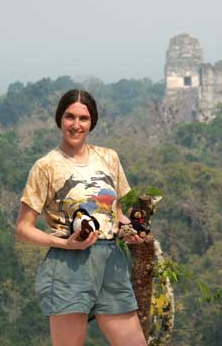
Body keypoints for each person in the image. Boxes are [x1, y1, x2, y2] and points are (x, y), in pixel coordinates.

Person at [15, 89, 147, 346]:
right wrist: (67, 243)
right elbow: (23, 229)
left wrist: (134, 231)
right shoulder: (47, 166)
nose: (76, 125)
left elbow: (116, 214)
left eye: (83, 119)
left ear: (92, 122)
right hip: (68, 265)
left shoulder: (109, 157)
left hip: (111, 261)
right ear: (59, 119)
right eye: (69, 117)